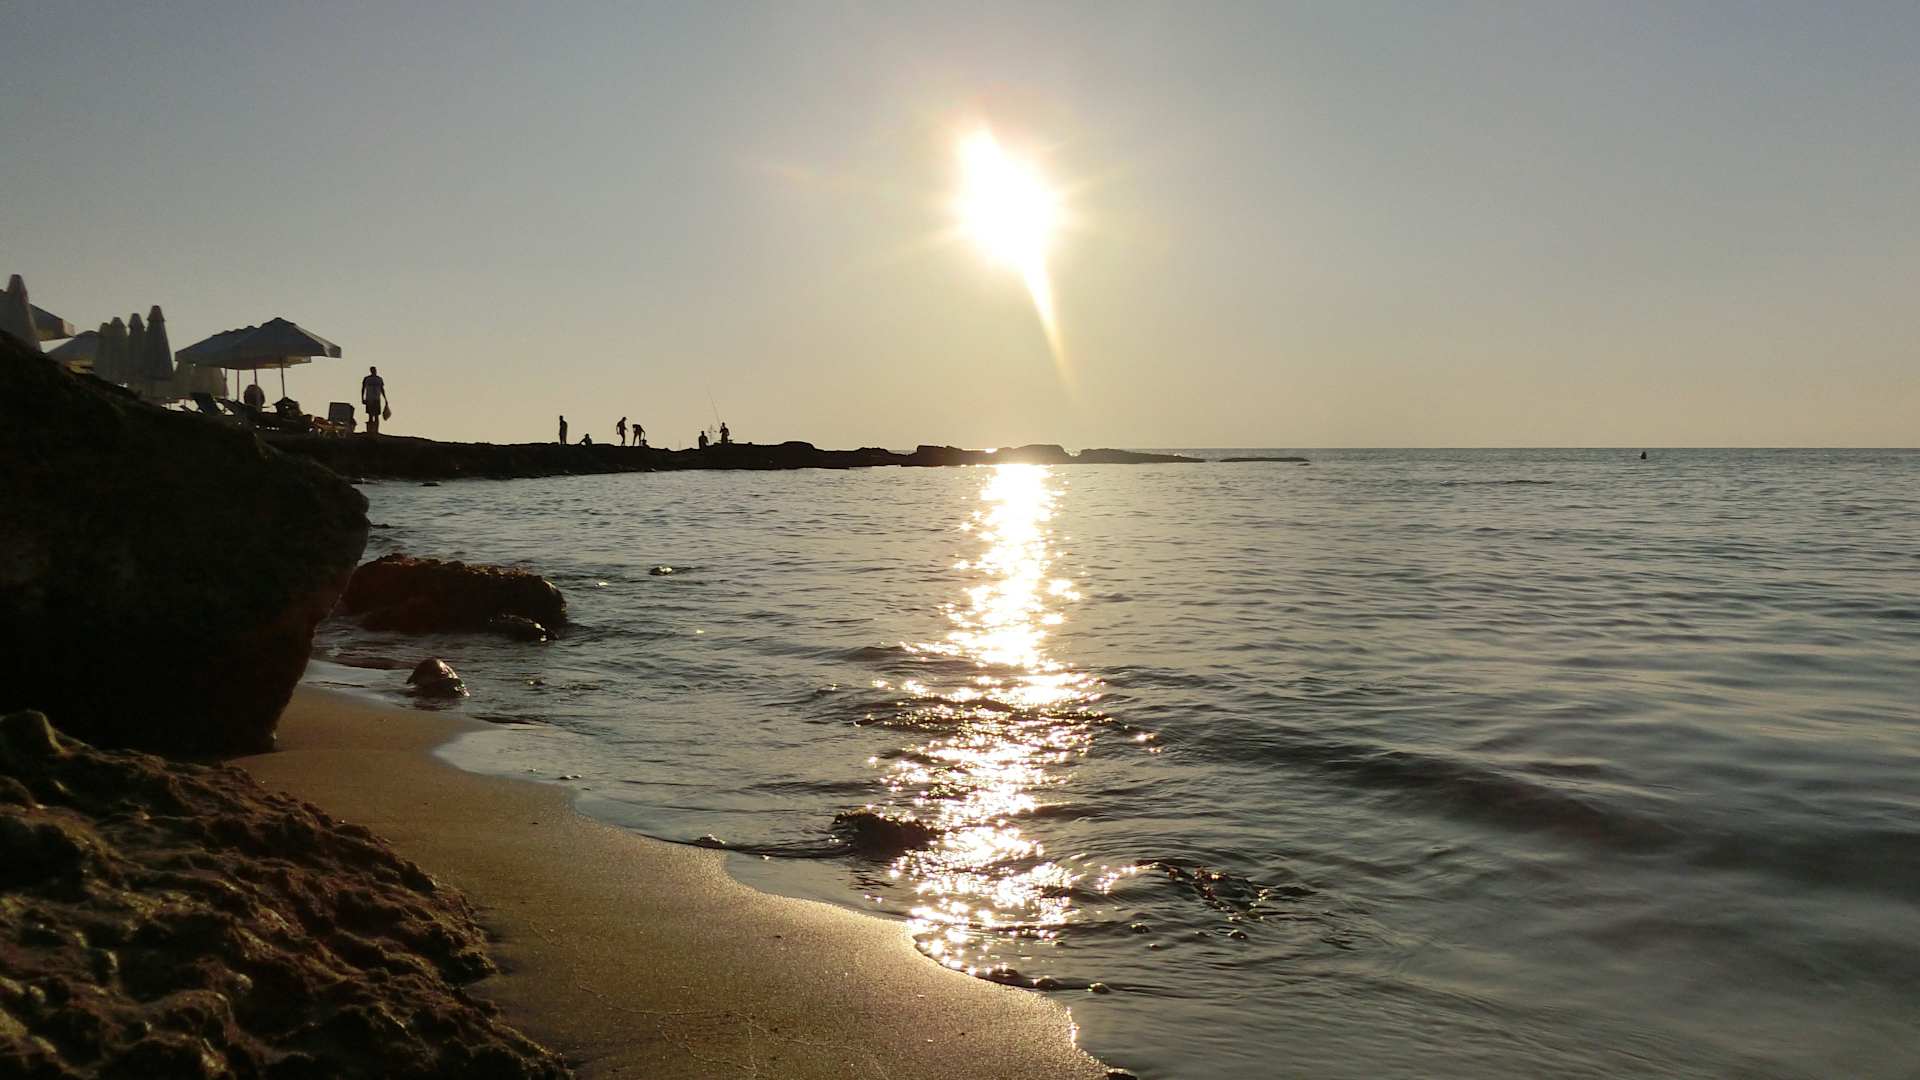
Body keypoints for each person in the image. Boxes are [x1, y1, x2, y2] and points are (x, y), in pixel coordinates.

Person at [360, 366, 388, 435]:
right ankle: (370, 431)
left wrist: (385, 399)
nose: (374, 371)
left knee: (376, 415)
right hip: (369, 399)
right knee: (370, 415)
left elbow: (382, 389)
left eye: (374, 370)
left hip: (377, 399)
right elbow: (363, 388)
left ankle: (376, 431)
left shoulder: (379, 379)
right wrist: (362, 398)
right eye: (372, 370)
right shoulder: (367, 379)